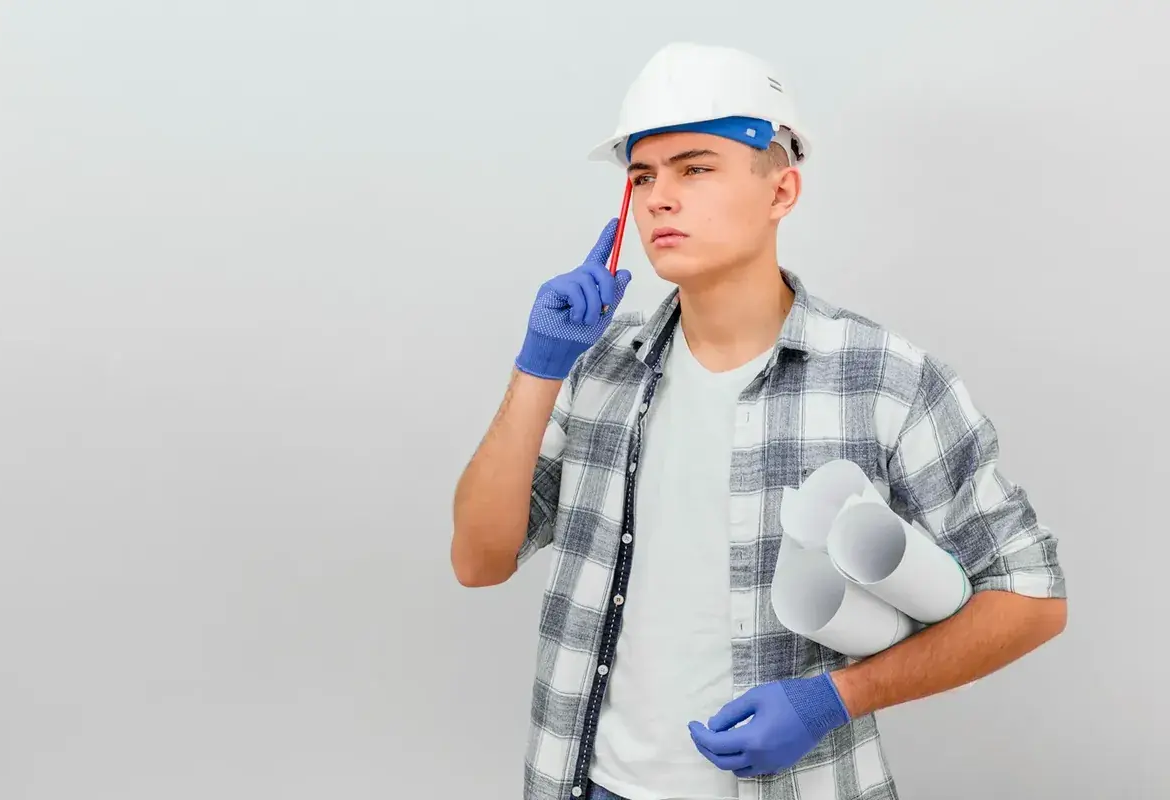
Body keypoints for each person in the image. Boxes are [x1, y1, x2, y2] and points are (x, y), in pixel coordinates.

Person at [450, 42, 1067, 800]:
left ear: (781, 191)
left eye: (694, 168)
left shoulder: (884, 379)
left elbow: (1031, 597)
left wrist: (835, 699)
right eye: (642, 176)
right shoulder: (596, 371)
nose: (658, 198)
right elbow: (479, 560)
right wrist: (539, 367)